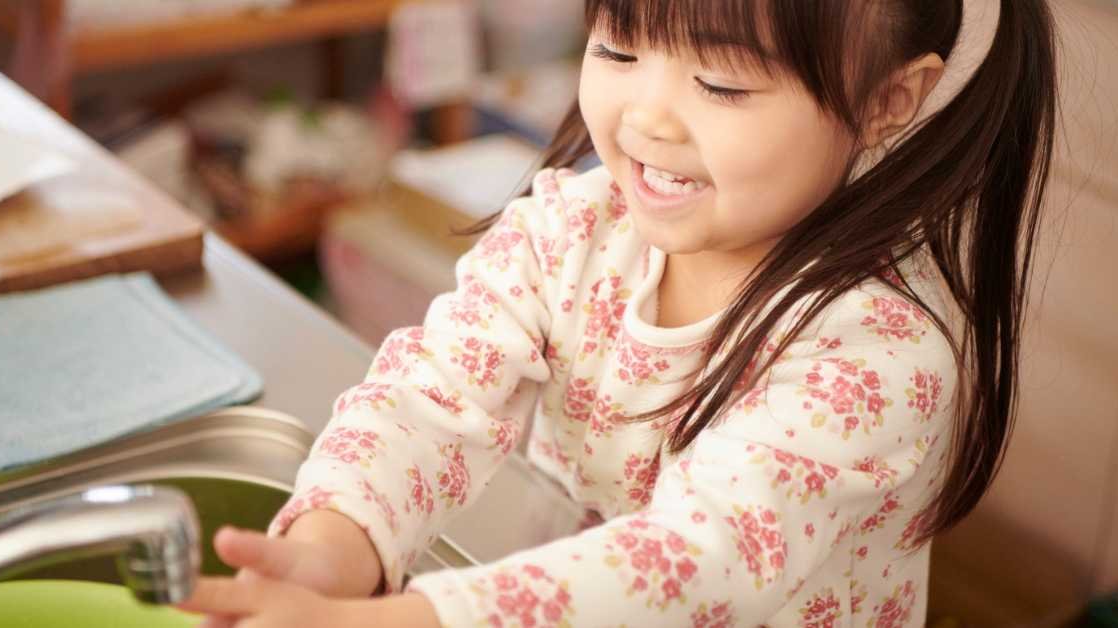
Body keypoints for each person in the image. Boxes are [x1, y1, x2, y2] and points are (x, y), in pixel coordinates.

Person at [177, 0, 1058, 625]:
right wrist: (334, 545)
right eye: (620, 49)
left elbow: (698, 562)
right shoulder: (575, 227)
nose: (645, 118)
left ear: (886, 101)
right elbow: (429, 397)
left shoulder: (880, 354)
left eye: (721, 82)